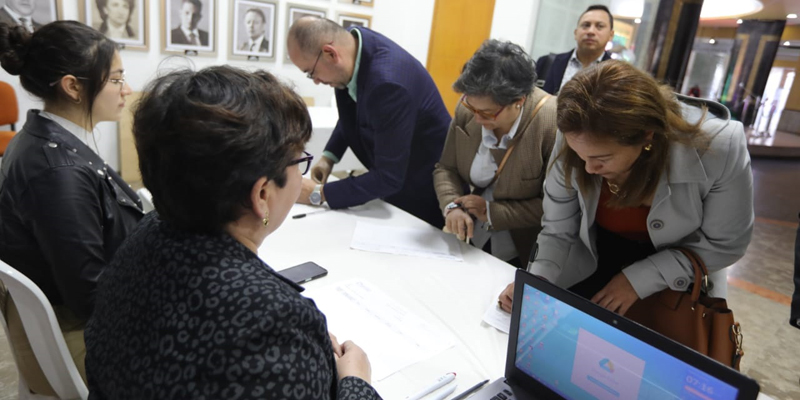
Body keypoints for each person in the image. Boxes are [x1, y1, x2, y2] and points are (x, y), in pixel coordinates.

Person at [84, 66, 382, 400]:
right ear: (262, 196)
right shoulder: (274, 324)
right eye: (300, 162)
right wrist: (357, 383)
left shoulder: (144, 235)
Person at [498, 61, 754, 316]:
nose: (588, 169)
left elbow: (725, 243)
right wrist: (537, 280)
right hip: (594, 259)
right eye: (580, 155)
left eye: (603, 158)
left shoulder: (719, 147)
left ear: (647, 137)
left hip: (680, 279)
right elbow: (558, 229)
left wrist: (639, 278)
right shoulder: (576, 132)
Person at [0, 20, 142, 395]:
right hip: (82, 335)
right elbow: (89, 295)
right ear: (73, 86)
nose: (126, 90)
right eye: (115, 80)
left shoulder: (51, 140)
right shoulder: (55, 170)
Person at [287, 17, 450, 228]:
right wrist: (329, 157)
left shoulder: (388, 85)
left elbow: (388, 178)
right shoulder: (354, 43)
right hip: (397, 173)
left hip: (422, 184)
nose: (316, 81)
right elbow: (354, 108)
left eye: (311, 73)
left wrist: (317, 194)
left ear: (330, 53)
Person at [433, 39, 557, 268]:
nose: (477, 118)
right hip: (473, 239)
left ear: (519, 101)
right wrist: (451, 206)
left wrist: (492, 211)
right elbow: (446, 168)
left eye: (488, 113)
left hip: (525, 249)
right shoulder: (468, 107)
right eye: (472, 108)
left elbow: (556, 207)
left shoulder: (551, 122)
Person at [536, 4, 614, 95]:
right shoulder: (547, 63)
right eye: (586, 25)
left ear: (611, 35)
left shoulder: (616, 75)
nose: (591, 31)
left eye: (599, 26)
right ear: (576, 33)